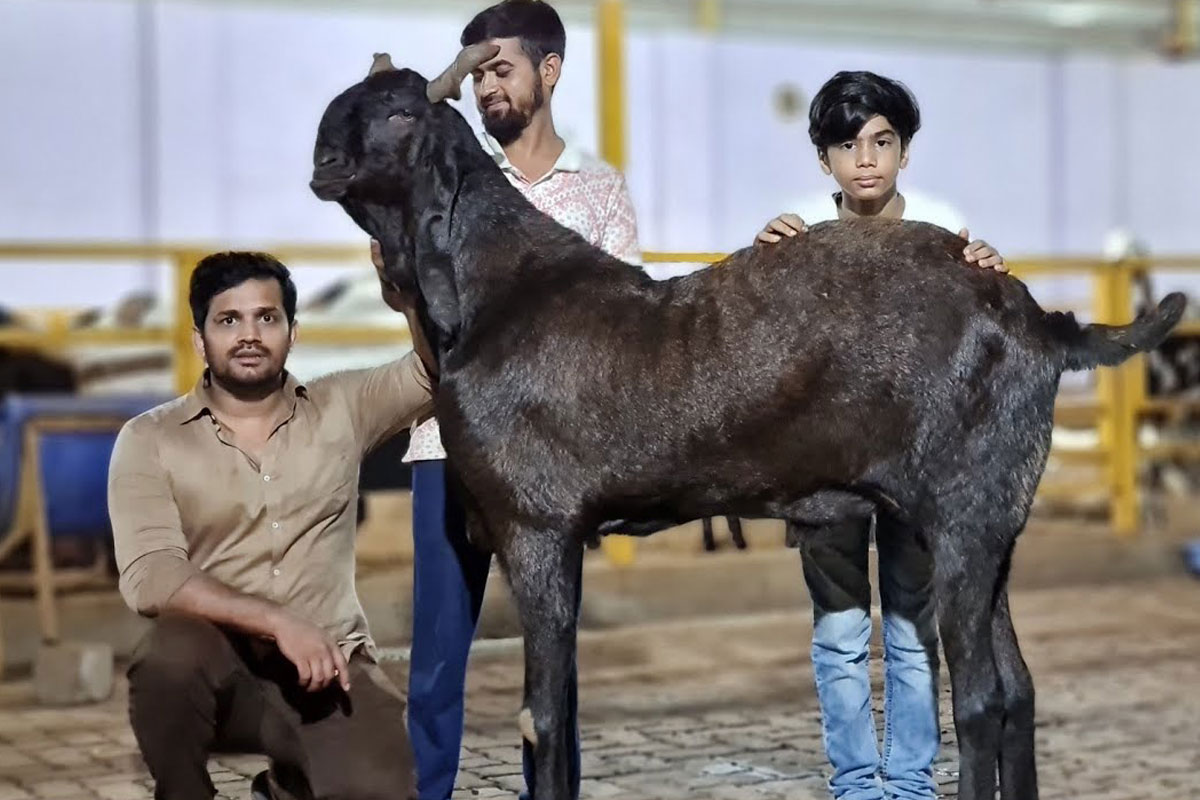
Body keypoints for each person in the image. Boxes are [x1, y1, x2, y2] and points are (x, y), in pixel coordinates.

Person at [400, 3, 639, 799]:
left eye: (498, 68)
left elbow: (626, 329)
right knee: (436, 658)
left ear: (550, 70)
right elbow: (428, 318)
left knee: (552, 658)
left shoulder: (600, 193)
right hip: (449, 447)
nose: (483, 87)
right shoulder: (448, 186)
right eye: (473, 73)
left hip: (550, 468)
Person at [754, 71, 1005, 800]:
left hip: (921, 462)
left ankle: (911, 781)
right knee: (838, 630)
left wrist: (992, 278)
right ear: (823, 158)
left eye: (882, 141)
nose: (866, 159)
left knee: (910, 622)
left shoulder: (944, 230)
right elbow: (761, 347)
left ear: (904, 150)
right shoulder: (797, 230)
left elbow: (981, 344)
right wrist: (760, 265)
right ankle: (857, 783)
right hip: (826, 465)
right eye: (846, 144)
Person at [109, 250, 434, 800]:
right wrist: (278, 621)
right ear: (199, 339)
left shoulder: (342, 406)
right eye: (228, 320)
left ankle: (286, 786)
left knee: (380, 787)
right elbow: (150, 575)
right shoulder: (150, 439)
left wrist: (406, 290)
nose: (250, 334)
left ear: (292, 330)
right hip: (218, 671)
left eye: (267, 317)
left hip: (324, 665)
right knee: (169, 657)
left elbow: (430, 371)